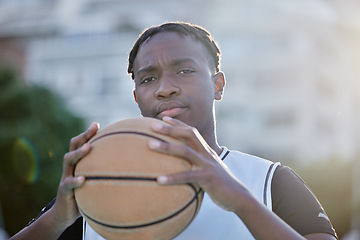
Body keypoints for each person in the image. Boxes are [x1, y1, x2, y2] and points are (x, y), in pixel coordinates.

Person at [10, 22, 338, 240]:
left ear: (218, 85)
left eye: (184, 71)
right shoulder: (97, 185)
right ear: (137, 97)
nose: (165, 89)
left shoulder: (269, 181)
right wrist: (55, 220)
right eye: (148, 78)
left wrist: (239, 201)